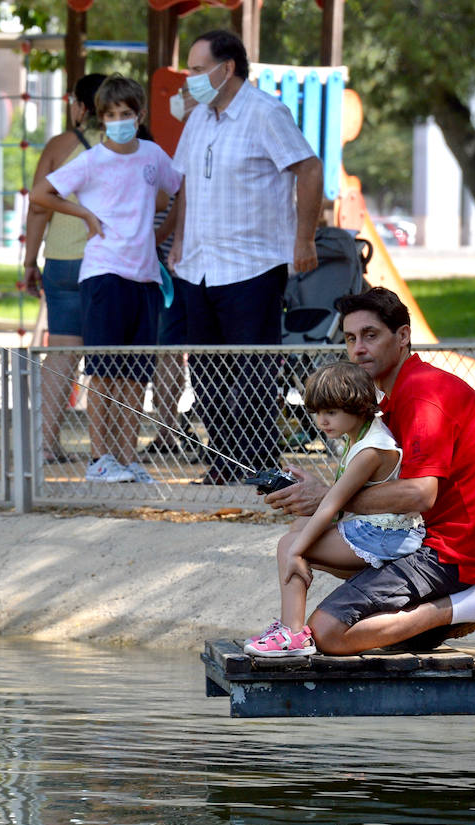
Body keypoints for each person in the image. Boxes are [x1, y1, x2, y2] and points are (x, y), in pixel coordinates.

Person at [266, 287, 475, 659]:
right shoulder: (394, 395)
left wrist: (330, 497)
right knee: (301, 540)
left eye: (371, 335)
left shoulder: (420, 395)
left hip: (452, 548)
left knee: (328, 635)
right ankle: (431, 617)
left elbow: (419, 494)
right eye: (350, 338)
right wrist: (323, 498)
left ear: (403, 336)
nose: (359, 348)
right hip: (421, 537)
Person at [168, 30, 324, 485]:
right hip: (198, 266)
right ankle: (225, 462)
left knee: (254, 369)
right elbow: (185, 186)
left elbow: (309, 168)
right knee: (207, 371)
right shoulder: (197, 117)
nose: (191, 79)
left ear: (227, 68)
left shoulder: (266, 112)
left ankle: (258, 465)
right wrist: (178, 240)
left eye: (198, 70)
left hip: (253, 265)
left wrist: (305, 238)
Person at [29, 75, 181, 484]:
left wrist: (166, 237)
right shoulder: (92, 159)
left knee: (136, 372)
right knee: (103, 369)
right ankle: (101, 457)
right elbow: (41, 194)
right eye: (110, 115)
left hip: (145, 276)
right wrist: (85, 215)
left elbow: (176, 190)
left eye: (126, 114)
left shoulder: (151, 154)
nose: (118, 121)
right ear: (100, 119)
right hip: (103, 274)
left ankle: (127, 457)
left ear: (140, 115)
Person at [244, 361, 425, 657]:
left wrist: (296, 552)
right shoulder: (360, 437)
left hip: (386, 536)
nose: (321, 421)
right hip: (378, 531)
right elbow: (333, 505)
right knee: (301, 527)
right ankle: (290, 626)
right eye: (317, 413)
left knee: (289, 544)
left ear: (357, 407)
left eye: (331, 412)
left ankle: (293, 633)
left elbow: (332, 504)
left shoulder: (371, 450)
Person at [23, 73, 105, 464]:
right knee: (110, 359)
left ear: (81, 106)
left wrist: (29, 260)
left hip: (63, 259)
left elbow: (39, 205)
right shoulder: (129, 145)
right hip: (112, 261)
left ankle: (43, 443)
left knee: (61, 355)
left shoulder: (60, 146)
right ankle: (107, 452)